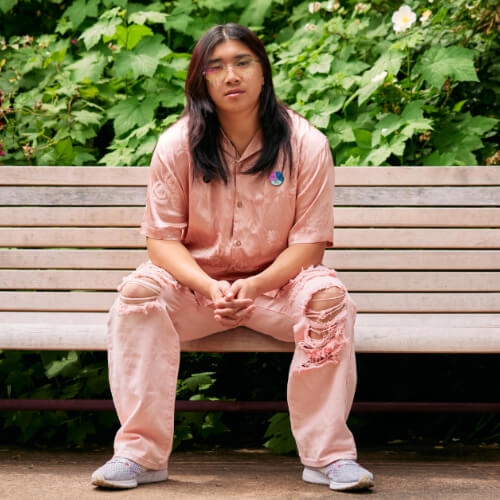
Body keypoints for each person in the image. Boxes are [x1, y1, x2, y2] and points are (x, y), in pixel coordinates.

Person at [90, 23, 374, 492]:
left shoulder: (306, 144)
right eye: (216, 66)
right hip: (197, 291)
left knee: (329, 299)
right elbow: (161, 242)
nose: (231, 75)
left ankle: (329, 457)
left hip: (279, 290)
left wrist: (256, 285)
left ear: (263, 72)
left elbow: (310, 245)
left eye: (243, 62)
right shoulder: (177, 144)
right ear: (201, 80)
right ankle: (139, 455)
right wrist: (209, 286)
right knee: (137, 295)